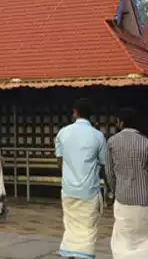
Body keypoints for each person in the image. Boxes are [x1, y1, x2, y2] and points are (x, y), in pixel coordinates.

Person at [55, 98, 107, 259]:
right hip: (89, 190)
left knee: (70, 226)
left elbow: (59, 161)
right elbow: (104, 162)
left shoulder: (63, 133)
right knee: (87, 228)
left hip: (69, 188)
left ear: (75, 113)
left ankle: (69, 253)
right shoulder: (98, 136)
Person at [105, 107, 148, 258]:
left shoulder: (112, 142)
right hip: (144, 200)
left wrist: (116, 191)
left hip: (123, 198)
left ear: (121, 123)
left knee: (122, 240)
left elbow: (109, 173)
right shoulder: (145, 142)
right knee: (144, 241)